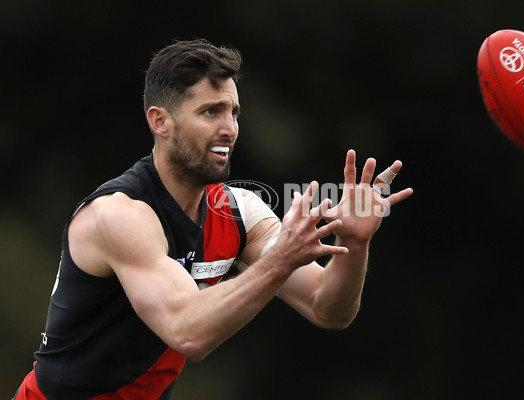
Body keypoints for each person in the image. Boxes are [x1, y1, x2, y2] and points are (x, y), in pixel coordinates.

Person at [13, 38, 413, 400]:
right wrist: (278, 260)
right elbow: (189, 330)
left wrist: (354, 246)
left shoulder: (238, 211)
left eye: (234, 113)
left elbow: (328, 308)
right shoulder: (119, 215)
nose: (229, 129)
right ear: (160, 121)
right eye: (211, 112)